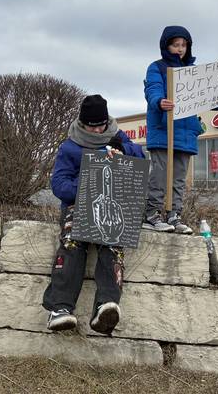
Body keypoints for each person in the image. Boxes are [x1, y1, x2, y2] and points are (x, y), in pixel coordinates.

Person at [42, 94, 144, 335]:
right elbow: (58, 184)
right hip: (77, 205)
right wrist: (87, 185)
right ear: (82, 123)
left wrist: (124, 149)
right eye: (92, 126)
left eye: (101, 125)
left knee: (113, 243)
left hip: (112, 205)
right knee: (72, 243)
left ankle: (106, 306)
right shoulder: (69, 146)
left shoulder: (118, 136)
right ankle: (59, 308)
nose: (98, 130)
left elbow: (140, 157)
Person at [141, 26, 203, 234]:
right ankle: (151, 215)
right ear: (166, 46)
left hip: (186, 133)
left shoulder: (193, 71)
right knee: (159, 175)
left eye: (184, 45)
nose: (180, 49)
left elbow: (205, 95)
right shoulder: (156, 67)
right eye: (176, 45)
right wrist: (159, 101)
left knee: (178, 179)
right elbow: (152, 89)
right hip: (163, 130)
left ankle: (174, 215)